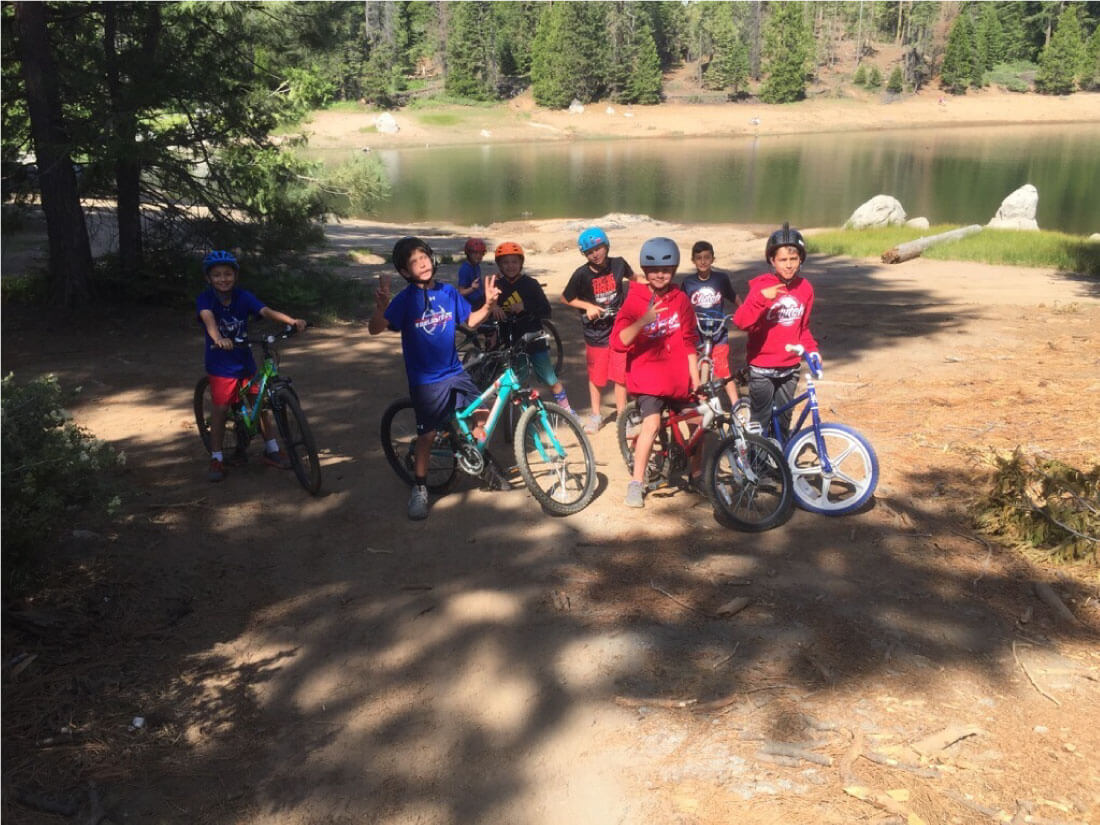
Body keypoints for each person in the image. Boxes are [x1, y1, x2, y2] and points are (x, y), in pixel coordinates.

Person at [369, 236, 502, 520]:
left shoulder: (448, 293)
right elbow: (375, 329)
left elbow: (470, 321)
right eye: (414, 262)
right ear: (406, 272)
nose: (422, 264)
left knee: (482, 412)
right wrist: (381, 309)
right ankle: (419, 488)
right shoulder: (405, 300)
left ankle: (473, 454)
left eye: (424, 257)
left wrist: (489, 305)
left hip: (454, 371)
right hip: (426, 380)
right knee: (426, 436)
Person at [196, 250, 307, 483]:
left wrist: (291, 321)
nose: (223, 279)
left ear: (235, 276)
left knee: (261, 403)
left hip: (244, 360)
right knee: (221, 408)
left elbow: (265, 311)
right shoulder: (206, 299)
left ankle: (272, 448)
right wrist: (218, 339)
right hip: (221, 364)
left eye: (227, 274)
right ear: (208, 278)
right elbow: (209, 320)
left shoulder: (242, 296)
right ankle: (216, 456)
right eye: (217, 275)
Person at [611, 237, 700, 508]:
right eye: (654, 270)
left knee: (698, 423)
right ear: (645, 271)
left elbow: (688, 340)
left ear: (673, 270)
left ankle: (696, 476)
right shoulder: (635, 300)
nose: (660, 275)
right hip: (648, 377)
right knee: (650, 425)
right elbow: (618, 341)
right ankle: (636, 483)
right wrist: (643, 320)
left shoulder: (681, 299)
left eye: (666, 269)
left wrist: (695, 378)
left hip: (678, 377)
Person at [732, 223, 821, 439]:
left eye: (793, 259)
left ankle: (778, 464)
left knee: (783, 420)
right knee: (761, 420)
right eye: (783, 260)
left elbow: (803, 328)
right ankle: (756, 468)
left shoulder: (805, 288)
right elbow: (741, 322)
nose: (789, 265)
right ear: (772, 261)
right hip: (762, 367)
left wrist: (812, 350)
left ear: (801, 260)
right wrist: (763, 298)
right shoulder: (761, 286)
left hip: (790, 367)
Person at [561, 226, 635, 434]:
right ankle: (596, 414)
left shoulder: (619, 264)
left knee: (620, 375)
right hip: (595, 333)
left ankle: (623, 416)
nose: (595, 254)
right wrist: (588, 306)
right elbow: (566, 298)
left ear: (606, 246)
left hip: (619, 329)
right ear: (585, 254)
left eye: (598, 248)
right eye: (590, 252)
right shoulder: (581, 274)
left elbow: (636, 280)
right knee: (597, 376)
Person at [490, 241, 576, 414]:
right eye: (505, 262)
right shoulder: (496, 286)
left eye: (514, 262)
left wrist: (524, 307)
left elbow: (546, 310)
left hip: (533, 337)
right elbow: (481, 307)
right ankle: (521, 418)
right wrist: (492, 306)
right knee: (517, 381)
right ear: (499, 265)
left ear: (521, 263)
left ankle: (568, 411)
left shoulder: (531, 284)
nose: (510, 266)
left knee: (550, 378)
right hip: (511, 341)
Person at [680, 240, 740, 407]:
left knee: (722, 367)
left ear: (713, 259)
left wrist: (743, 310)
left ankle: (736, 405)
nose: (703, 261)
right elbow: (680, 303)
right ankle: (698, 403)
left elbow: (732, 296)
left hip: (718, 331)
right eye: (699, 258)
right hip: (697, 331)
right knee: (694, 368)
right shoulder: (688, 282)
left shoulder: (721, 279)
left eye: (707, 257)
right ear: (693, 260)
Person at [457, 237, 487, 310]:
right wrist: (472, 288)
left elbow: (478, 284)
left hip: (479, 300)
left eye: (481, 254)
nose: (478, 256)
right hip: (471, 305)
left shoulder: (476, 266)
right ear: (468, 253)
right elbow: (461, 292)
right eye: (475, 253)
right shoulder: (465, 269)